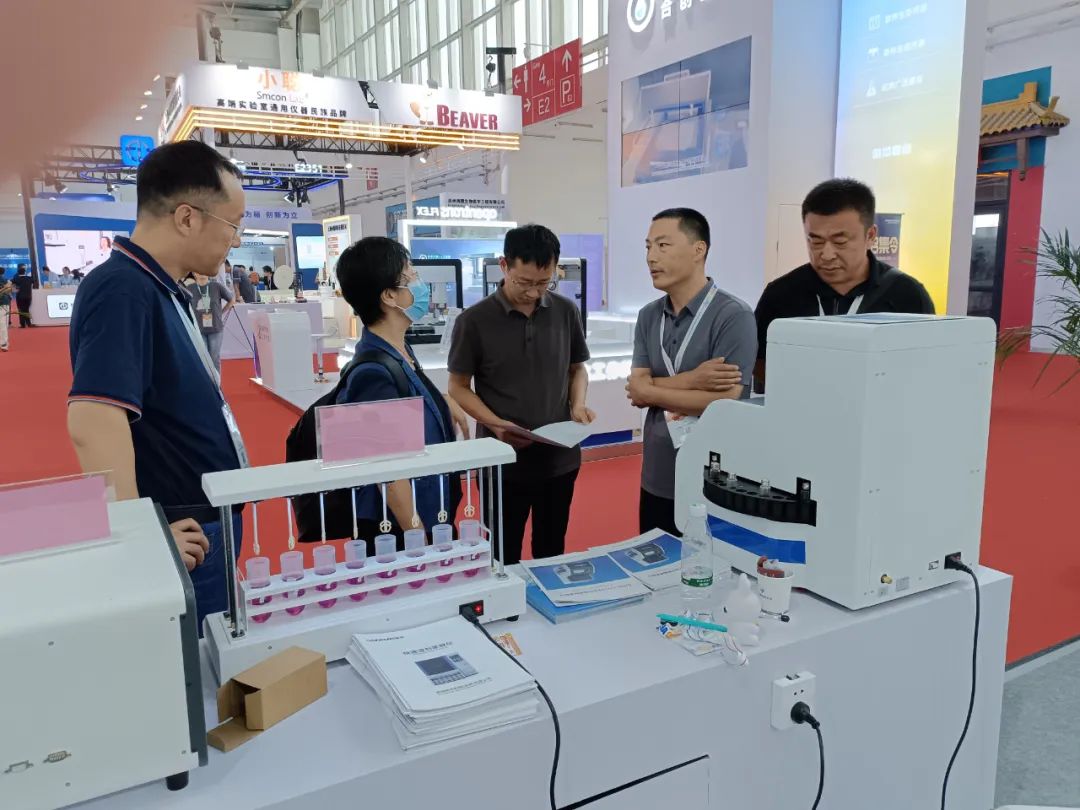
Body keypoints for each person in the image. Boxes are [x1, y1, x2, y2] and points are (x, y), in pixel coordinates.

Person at [67, 139, 248, 633]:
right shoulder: (123, 288)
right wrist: (139, 536)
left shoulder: (158, 287)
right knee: (196, 666)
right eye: (233, 225)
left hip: (198, 523)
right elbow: (94, 419)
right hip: (182, 532)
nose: (235, 241)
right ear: (187, 217)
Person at [448, 224, 595, 565]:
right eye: (524, 282)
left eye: (544, 283)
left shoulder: (565, 311)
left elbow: (577, 369)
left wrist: (578, 405)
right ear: (504, 266)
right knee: (502, 554)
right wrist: (496, 424)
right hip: (502, 463)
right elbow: (457, 387)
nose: (533, 292)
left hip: (559, 460)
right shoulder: (474, 321)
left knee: (551, 550)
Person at [627, 208, 756, 537]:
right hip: (657, 472)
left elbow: (726, 400)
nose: (651, 257)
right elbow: (635, 388)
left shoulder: (733, 316)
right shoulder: (648, 316)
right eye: (648, 247)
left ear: (699, 250)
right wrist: (693, 381)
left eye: (663, 245)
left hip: (713, 476)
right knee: (655, 558)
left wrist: (650, 391)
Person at [334, 237, 469, 544]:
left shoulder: (398, 349)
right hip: (400, 531)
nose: (420, 284)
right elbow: (388, 471)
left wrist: (439, 401)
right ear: (389, 295)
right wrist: (418, 538)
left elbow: (404, 404)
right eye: (411, 276)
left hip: (429, 509)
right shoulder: (373, 371)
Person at [754, 178, 935, 389]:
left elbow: (925, 366)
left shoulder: (907, 295)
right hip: (801, 403)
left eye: (840, 242)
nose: (826, 254)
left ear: (870, 235)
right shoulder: (781, 294)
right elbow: (758, 362)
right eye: (815, 241)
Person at [184, 271, 234, 371]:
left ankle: (216, 380)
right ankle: (206, 381)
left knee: (214, 359)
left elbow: (232, 300)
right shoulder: (189, 288)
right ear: (194, 274)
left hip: (216, 328)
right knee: (203, 359)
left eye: (204, 270)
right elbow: (185, 304)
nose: (202, 272)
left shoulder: (216, 286)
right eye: (198, 271)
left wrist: (221, 312)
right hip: (199, 330)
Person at [0, 274, 11, 351]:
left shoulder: (3, 279)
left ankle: (4, 343)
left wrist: (5, 289)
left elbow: (9, 289)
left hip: (3, 304)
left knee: (3, 324)